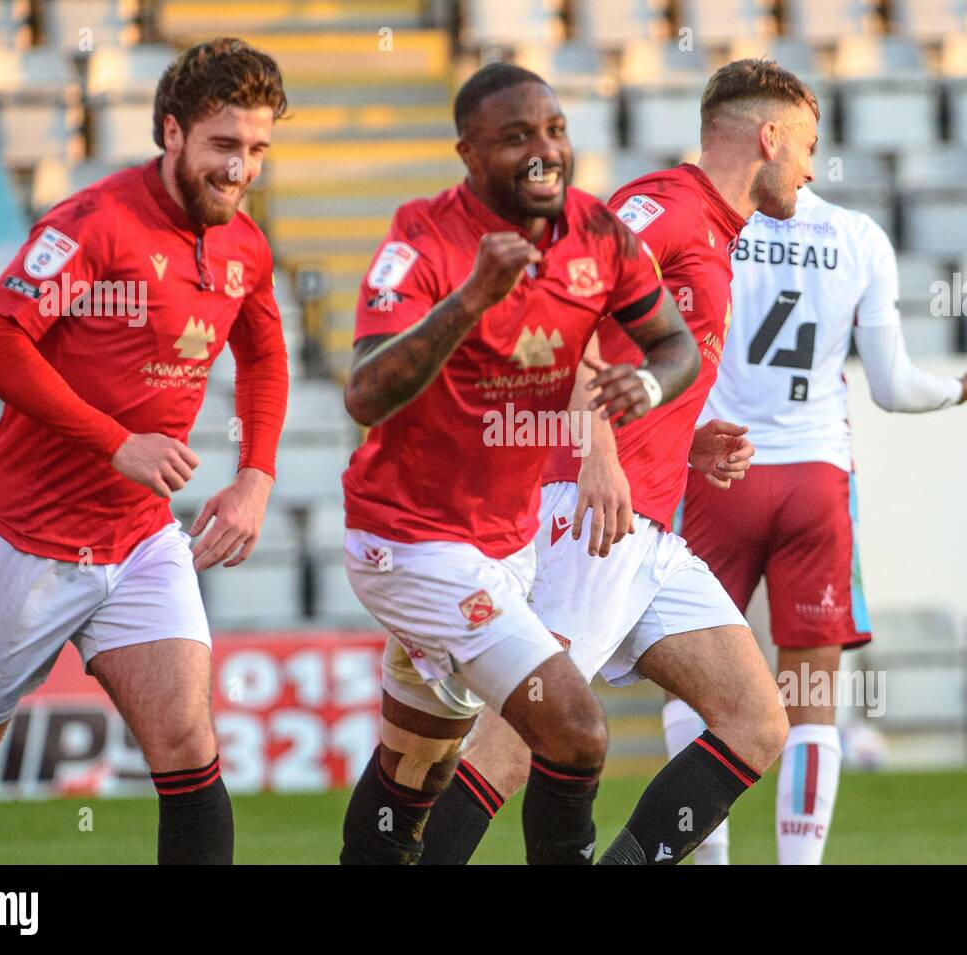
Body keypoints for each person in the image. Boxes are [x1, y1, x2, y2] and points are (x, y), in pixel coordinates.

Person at [0, 38, 290, 865]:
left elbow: (266, 355)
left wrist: (255, 475)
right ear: (171, 133)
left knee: (187, 741)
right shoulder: (94, 223)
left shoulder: (246, 245)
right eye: (224, 146)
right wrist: (116, 443)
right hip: (19, 538)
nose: (240, 169)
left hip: (140, 539)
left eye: (256, 150)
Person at [417, 58, 817, 866]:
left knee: (756, 719)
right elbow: (568, 309)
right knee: (524, 736)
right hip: (589, 516)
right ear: (769, 137)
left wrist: (685, 435)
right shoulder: (663, 206)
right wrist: (598, 452)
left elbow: (630, 352)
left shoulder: (715, 230)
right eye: (808, 146)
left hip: (650, 534)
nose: (811, 169)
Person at [338, 62, 700, 865]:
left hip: (506, 543)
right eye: (516, 138)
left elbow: (676, 345)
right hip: (410, 542)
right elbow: (364, 393)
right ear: (468, 153)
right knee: (574, 731)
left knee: (415, 767)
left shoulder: (598, 234)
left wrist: (643, 379)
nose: (544, 152)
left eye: (555, 130)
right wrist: (470, 297)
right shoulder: (422, 238)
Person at [678, 185, 967, 864]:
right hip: (815, 480)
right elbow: (891, 385)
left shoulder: (709, 225)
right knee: (812, 701)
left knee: (696, 689)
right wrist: (959, 387)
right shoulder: (856, 235)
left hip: (719, 469)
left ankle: (706, 858)